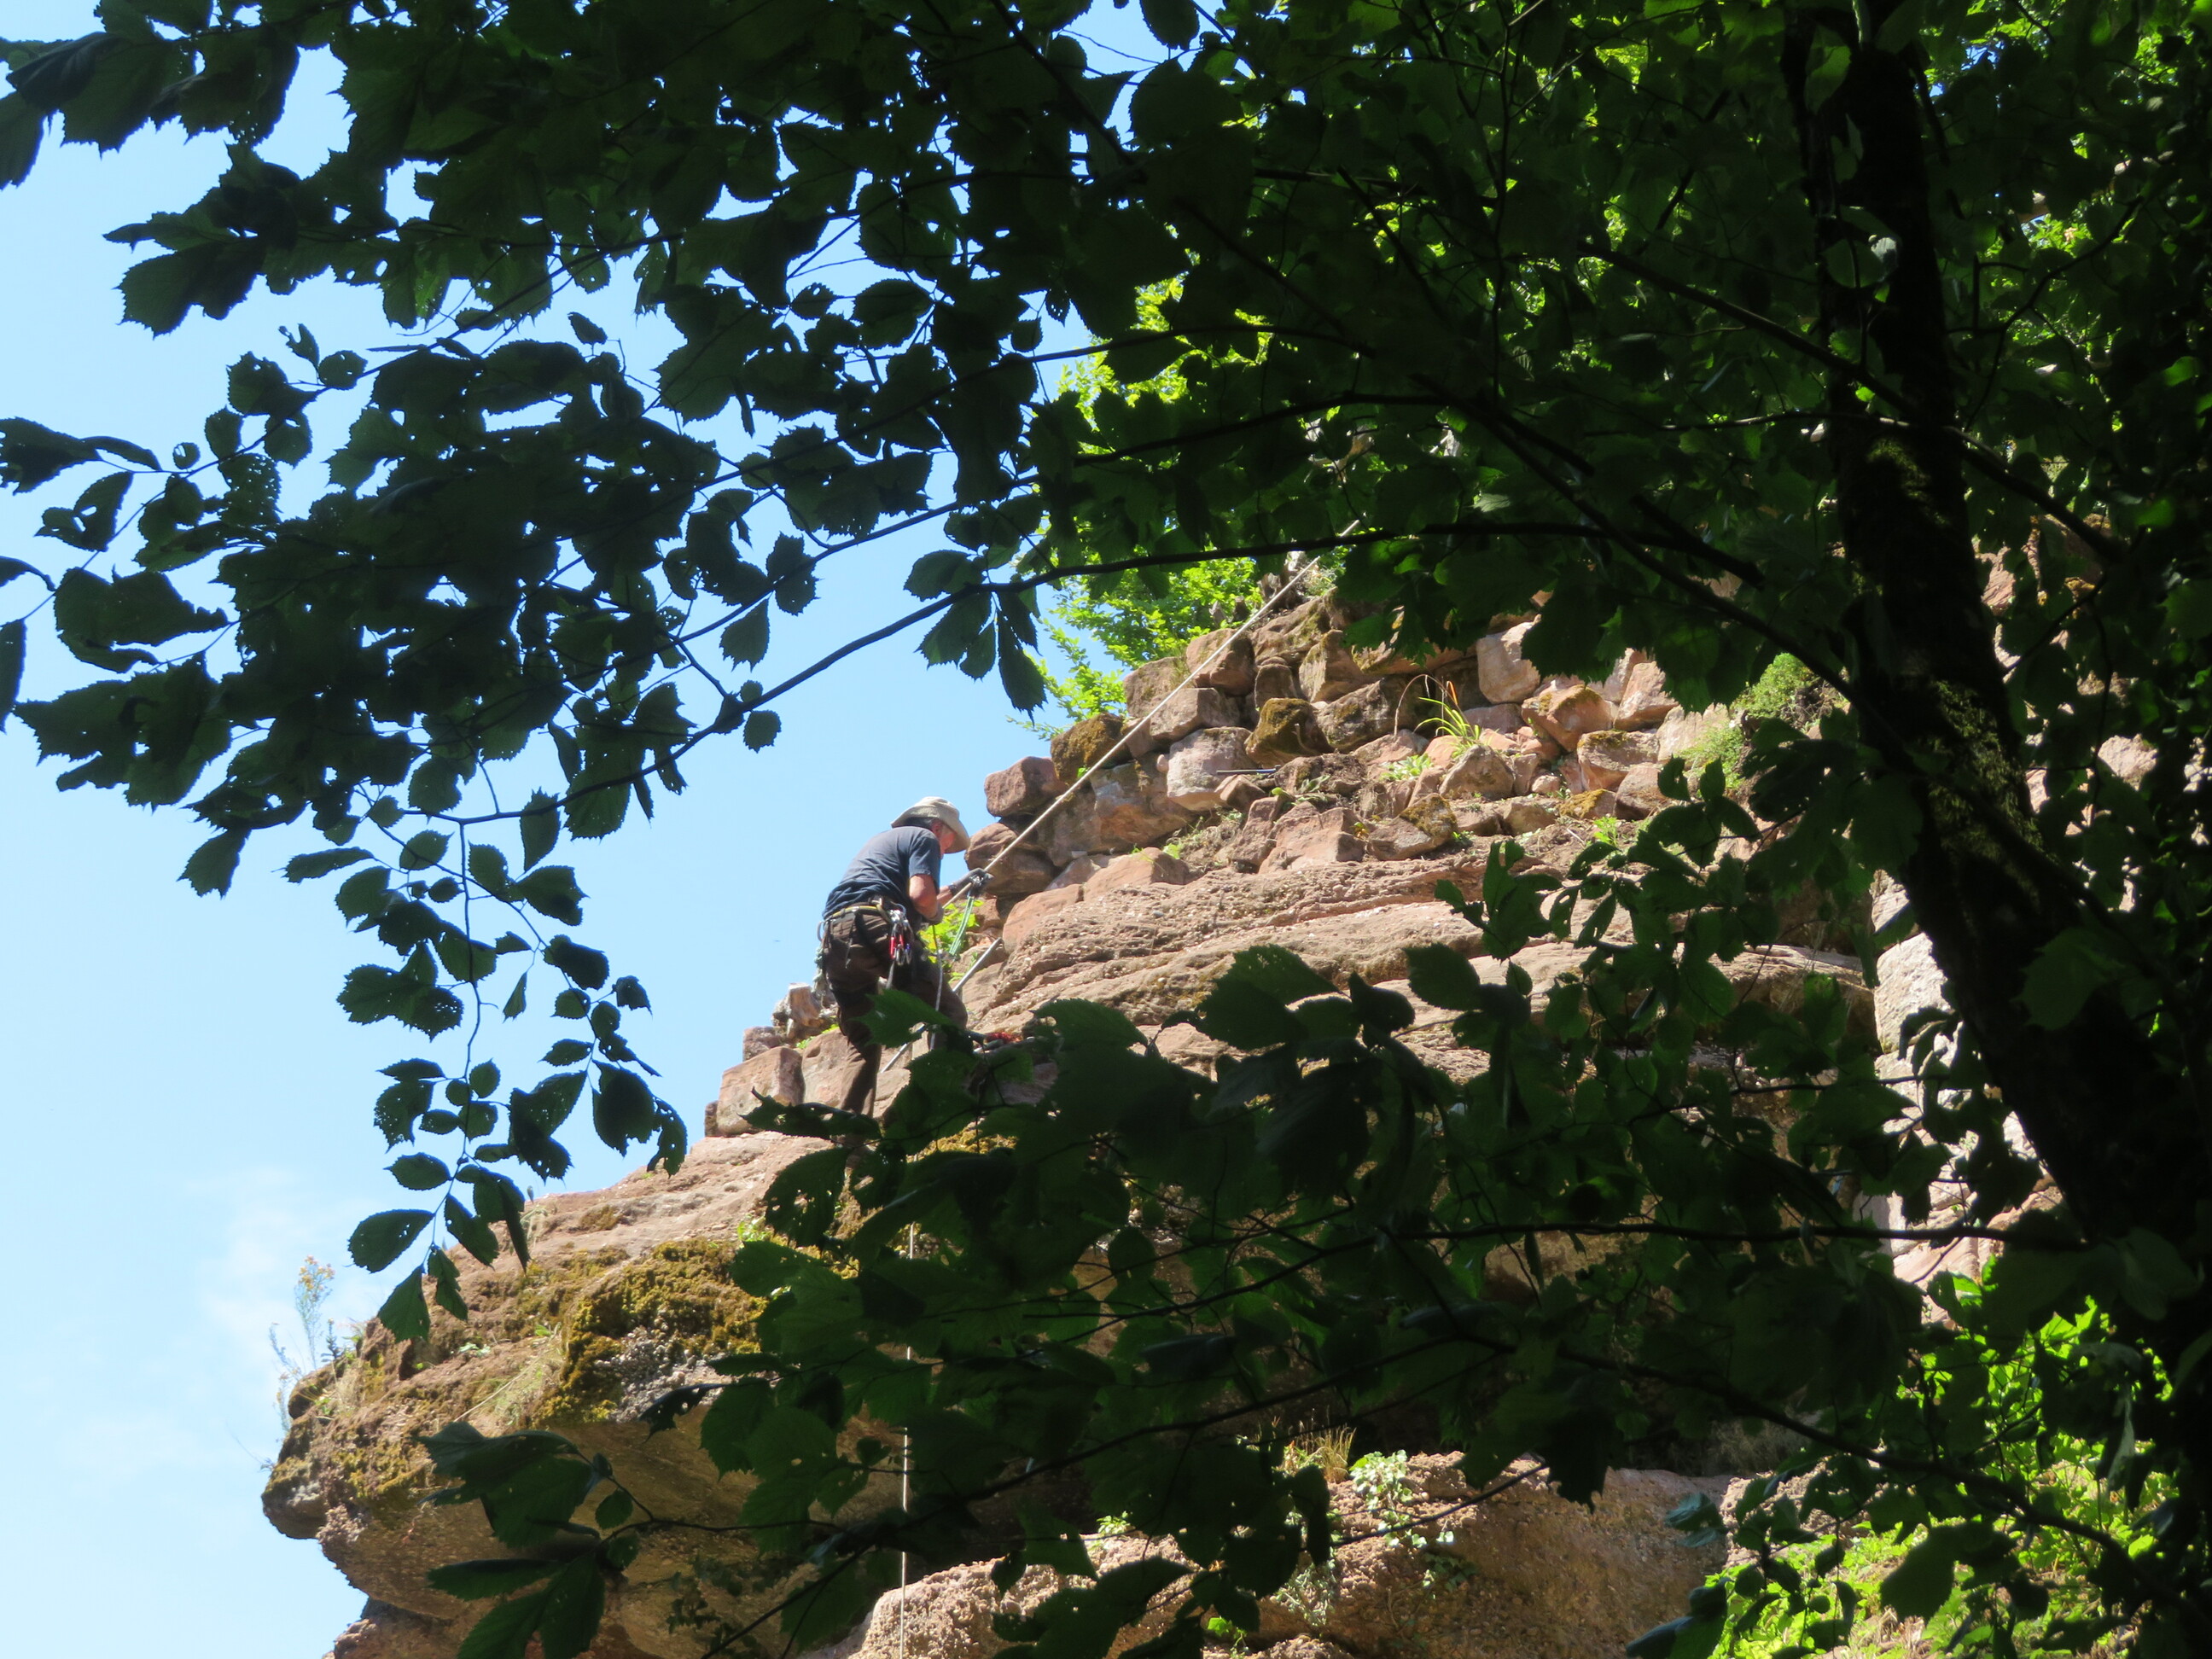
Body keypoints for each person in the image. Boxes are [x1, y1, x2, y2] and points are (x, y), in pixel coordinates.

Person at [817, 798, 976, 1114]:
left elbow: (905, 896)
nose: (944, 850)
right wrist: (936, 913)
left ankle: (849, 1130)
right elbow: (922, 897)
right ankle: (939, 1101)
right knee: (947, 1012)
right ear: (937, 827)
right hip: (877, 928)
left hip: (837, 938)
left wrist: (959, 887)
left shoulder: (882, 843)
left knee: (864, 1039)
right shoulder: (925, 838)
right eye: (948, 843)